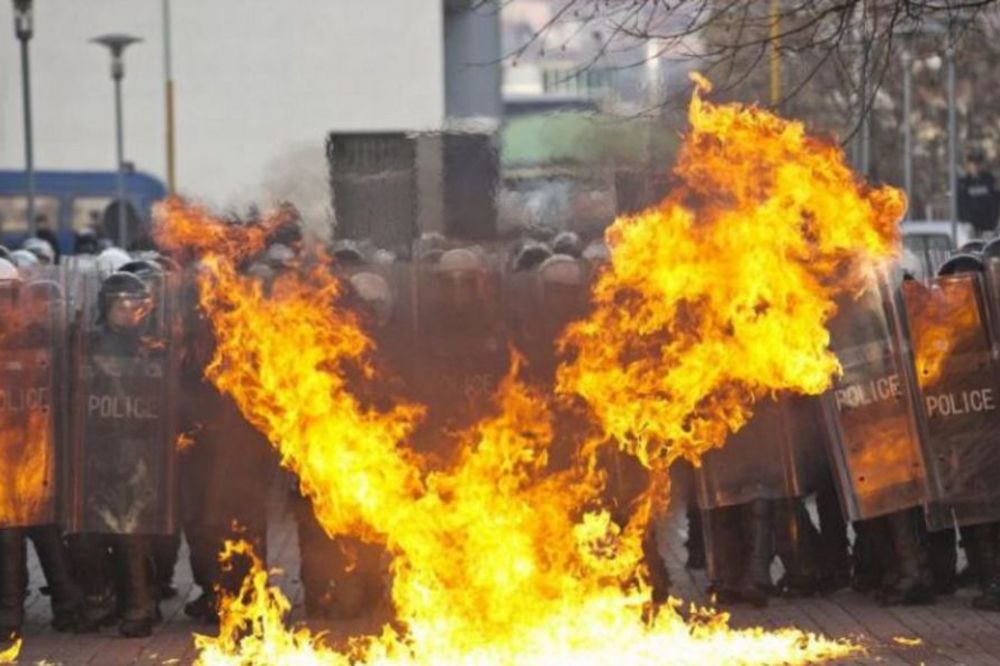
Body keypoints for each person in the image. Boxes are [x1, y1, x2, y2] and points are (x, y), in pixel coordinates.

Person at [68, 272, 170, 637]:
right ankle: (101, 601)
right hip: (96, 450)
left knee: (132, 536)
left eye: (135, 307)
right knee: (86, 534)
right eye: (119, 306)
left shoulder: (157, 347)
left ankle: (141, 607)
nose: (127, 314)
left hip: (141, 454)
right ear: (105, 308)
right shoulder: (87, 345)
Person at [958, 150, 999, 237]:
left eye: (978, 164)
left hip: (988, 226)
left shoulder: (989, 180)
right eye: (973, 164)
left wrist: (993, 224)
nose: (976, 167)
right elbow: (960, 205)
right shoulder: (963, 183)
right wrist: (965, 223)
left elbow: (995, 202)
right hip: (970, 226)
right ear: (968, 166)